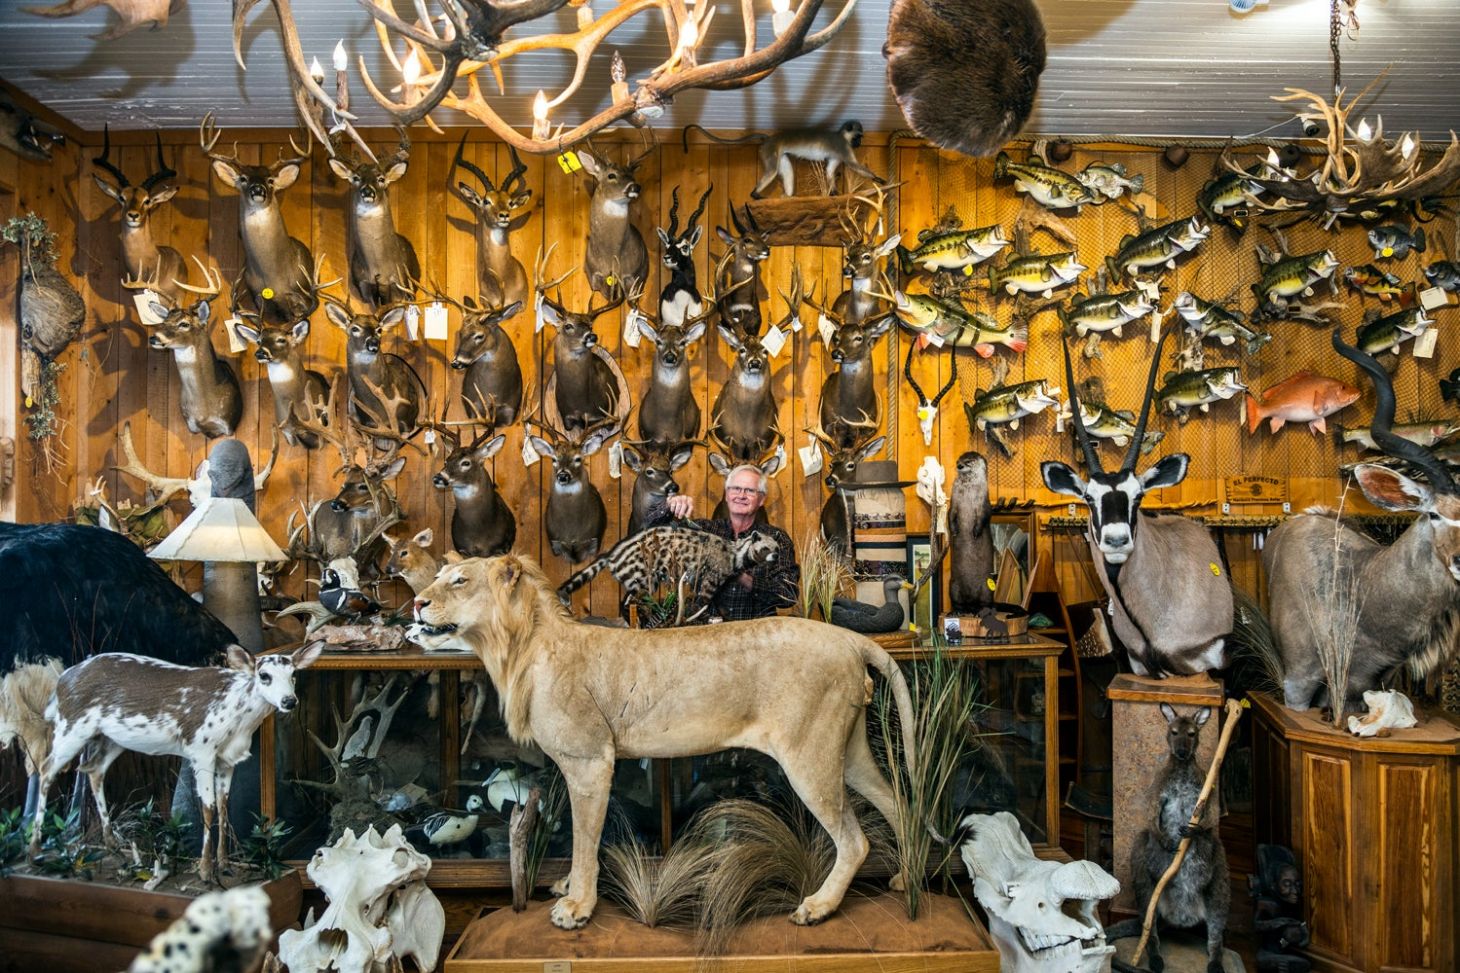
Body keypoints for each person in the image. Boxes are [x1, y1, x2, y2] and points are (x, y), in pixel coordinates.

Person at [655, 464, 800, 620]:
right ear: (726, 494)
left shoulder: (776, 538)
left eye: (750, 490)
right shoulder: (704, 531)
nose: (741, 495)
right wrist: (669, 508)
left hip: (756, 635)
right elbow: (659, 538)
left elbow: (788, 594)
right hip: (707, 634)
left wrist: (743, 578)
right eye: (735, 488)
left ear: (761, 499)